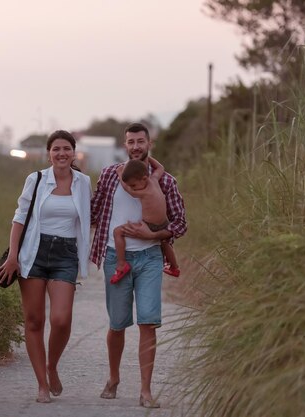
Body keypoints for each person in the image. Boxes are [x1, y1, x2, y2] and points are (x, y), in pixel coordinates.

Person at [90, 122, 187, 408]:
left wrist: (153, 235)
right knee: (117, 324)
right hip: (115, 257)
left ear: (149, 144)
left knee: (148, 323)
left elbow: (180, 224)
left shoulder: (165, 181)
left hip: (149, 258)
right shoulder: (110, 175)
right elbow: (93, 211)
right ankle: (114, 378)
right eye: (130, 142)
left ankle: (145, 390)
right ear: (125, 145)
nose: (135, 146)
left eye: (140, 141)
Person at [0, 130, 91, 403]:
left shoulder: (83, 182)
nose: (61, 153)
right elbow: (19, 218)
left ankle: (52, 365)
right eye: (56, 149)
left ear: (74, 152)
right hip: (33, 253)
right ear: (49, 153)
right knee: (34, 320)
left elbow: (90, 216)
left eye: (66, 149)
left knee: (61, 319)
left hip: (65, 254)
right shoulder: (36, 179)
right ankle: (41, 383)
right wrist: (13, 256)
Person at [110, 156, 180, 284]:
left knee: (117, 232)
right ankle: (174, 267)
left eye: (134, 185)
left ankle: (121, 265)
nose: (134, 187)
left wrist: (120, 173)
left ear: (144, 178)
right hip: (164, 223)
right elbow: (160, 168)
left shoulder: (143, 192)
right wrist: (149, 157)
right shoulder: (154, 179)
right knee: (165, 242)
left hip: (149, 226)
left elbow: (127, 189)